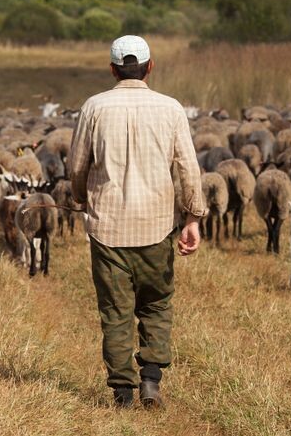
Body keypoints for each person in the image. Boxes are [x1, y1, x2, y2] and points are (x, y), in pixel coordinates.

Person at [67, 35, 206, 409]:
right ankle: (150, 381)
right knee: (156, 305)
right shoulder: (170, 108)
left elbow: (77, 165)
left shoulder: (94, 107)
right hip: (156, 226)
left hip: (108, 229)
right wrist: (193, 218)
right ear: (150, 67)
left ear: (113, 69)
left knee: (116, 311)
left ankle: (122, 393)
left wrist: (81, 198)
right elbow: (188, 167)